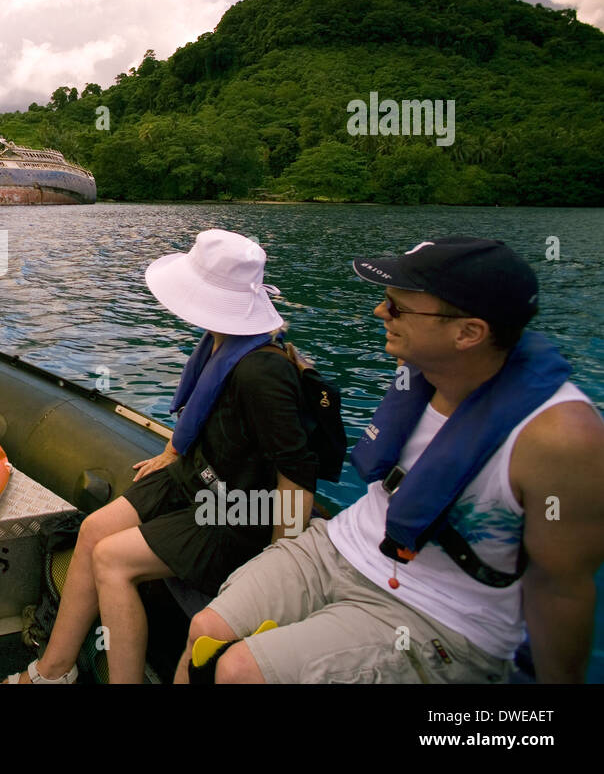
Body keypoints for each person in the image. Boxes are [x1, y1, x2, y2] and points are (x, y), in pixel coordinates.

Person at [177, 237, 604, 684]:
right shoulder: (424, 372)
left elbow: (562, 590)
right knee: (205, 629)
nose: (381, 313)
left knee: (238, 670)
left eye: (398, 308)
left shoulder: (558, 440)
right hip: (341, 546)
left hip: (438, 613)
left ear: (468, 333)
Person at [7, 229, 319, 684]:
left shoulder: (262, 371)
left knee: (112, 560)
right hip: (196, 477)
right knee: (94, 530)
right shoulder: (221, 341)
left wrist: (280, 559)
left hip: (233, 512)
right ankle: (53, 670)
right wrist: (173, 450)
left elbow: (296, 469)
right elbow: (206, 414)